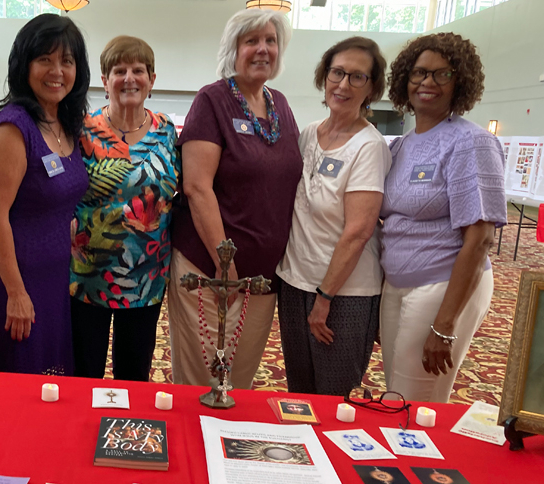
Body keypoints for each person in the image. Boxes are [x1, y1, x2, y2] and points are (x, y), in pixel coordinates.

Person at [167, 9, 302, 389]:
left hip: (263, 277)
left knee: (238, 381)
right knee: (202, 381)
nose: (263, 49)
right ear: (234, 49)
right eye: (252, 41)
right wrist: (224, 267)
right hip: (212, 272)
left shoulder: (281, 105)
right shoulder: (212, 100)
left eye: (270, 41)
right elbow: (196, 187)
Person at [380, 33, 507, 403]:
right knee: (396, 393)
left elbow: (480, 238)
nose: (427, 83)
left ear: (460, 80)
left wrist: (446, 324)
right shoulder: (401, 145)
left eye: (442, 74)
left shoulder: (471, 142)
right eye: (419, 73)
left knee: (415, 403)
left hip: (441, 286)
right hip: (397, 285)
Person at [0, 14, 90, 375]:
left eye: (67, 61)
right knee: (15, 386)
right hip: (14, 279)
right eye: (45, 59)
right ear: (25, 65)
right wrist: (16, 293)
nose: (57, 71)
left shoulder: (64, 124)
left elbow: (49, 199)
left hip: (52, 276)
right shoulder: (13, 126)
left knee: (50, 380)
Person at [276, 37, 391, 396]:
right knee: (300, 392)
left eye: (357, 77)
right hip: (295, 282)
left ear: (371, 87)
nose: (343, 85)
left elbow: (358, 231)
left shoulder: (369, 147)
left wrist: (324, 298)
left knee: (336, 397)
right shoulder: (309, 133)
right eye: (337, 73)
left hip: (343, 294)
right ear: (324, 76)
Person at [70, 36, 181, 381]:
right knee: (83, 372)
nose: (129, 78)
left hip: (147, 276)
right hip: (87, 275)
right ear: (105, 81)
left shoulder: (167, 133)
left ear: (152, 80)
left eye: (138, 70)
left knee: (134, 375)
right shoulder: (82, 132)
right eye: (119, 70)